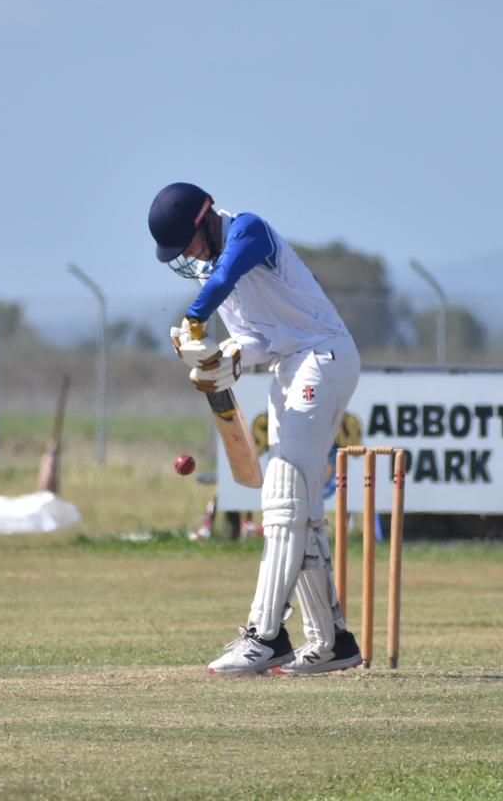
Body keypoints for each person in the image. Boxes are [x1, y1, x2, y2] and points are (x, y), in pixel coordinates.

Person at [148, 181, 362, 675]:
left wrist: (195, 319)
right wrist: (226, 357)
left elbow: (225, 274)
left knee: (284, 495)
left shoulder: (249, 230)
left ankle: (264, 636)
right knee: (297, 505)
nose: (190, 257)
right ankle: (333, 643)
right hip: (290, 366)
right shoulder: (210, 267)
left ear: (205, 219)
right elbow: (258, 338)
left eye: (190, 243)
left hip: (324, 356)